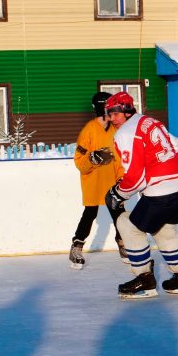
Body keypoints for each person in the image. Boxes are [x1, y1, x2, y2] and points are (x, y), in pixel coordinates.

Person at [103, 91, 178, 299]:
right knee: (164, 227)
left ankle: (145, 281)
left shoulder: (125, 133)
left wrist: (118, 193)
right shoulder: (148, 121)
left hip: (162, 189)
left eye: (115, 113)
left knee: (128, 226)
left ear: (127, 112)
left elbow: (136, 178)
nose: (111, 118)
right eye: (108, 114)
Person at [69, 91, 127, 270]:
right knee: (90, 213)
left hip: (112, 181)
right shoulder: (88, 131)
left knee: (119, 214)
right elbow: (80, 163)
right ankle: (77, 246)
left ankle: (123, 243)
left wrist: (121, 178)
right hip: (94, 181)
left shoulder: (116, 130)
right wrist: (91, 159)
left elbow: (119, 158)